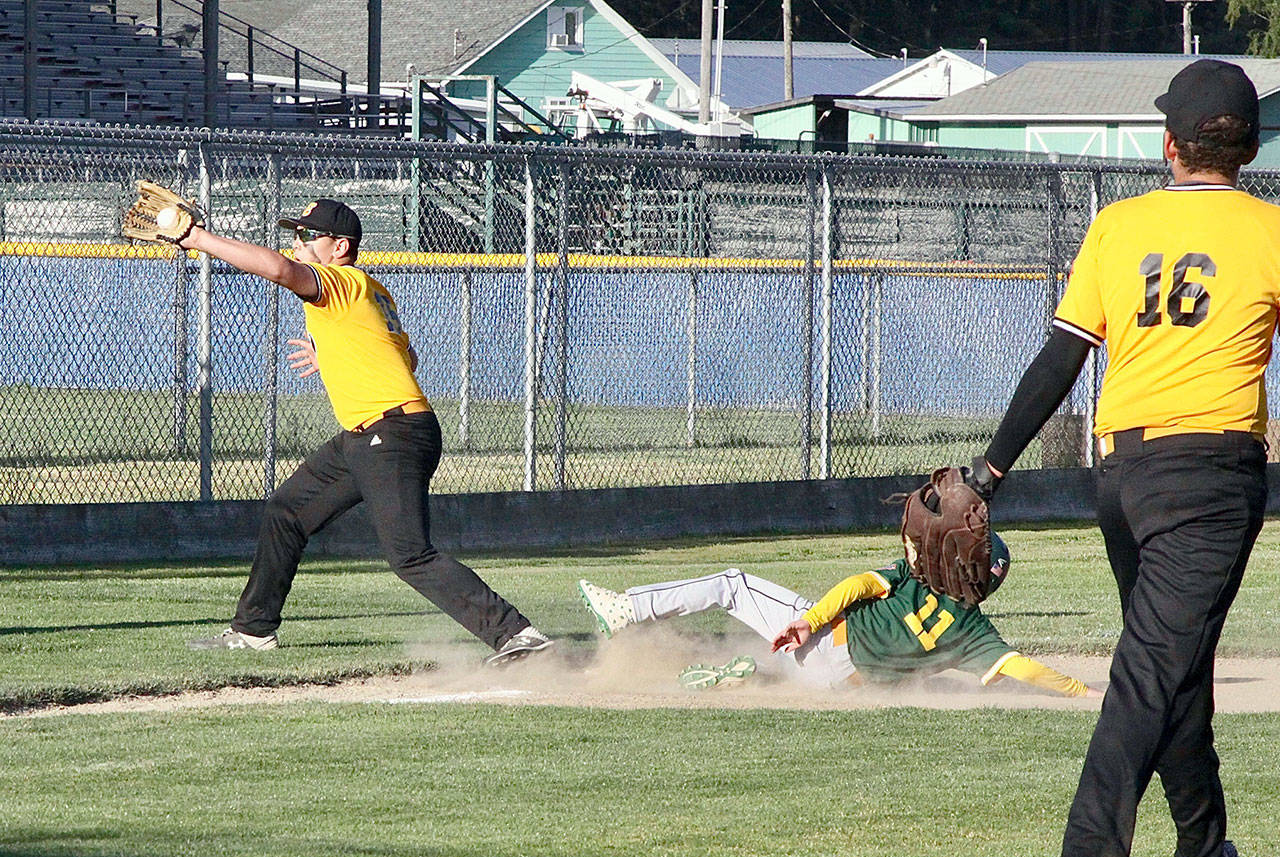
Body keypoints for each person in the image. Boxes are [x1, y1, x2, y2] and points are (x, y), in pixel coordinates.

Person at [962, 60, 1274, 857]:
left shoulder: (1119, 223)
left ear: (1169, 144)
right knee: (1155, 667)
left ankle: (1203, 856)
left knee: (1171, 665)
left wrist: (992, 469)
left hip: (1123, 476)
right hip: (1213, 477)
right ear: (1247, 150)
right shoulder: (1270, 231)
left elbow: (1061, 360)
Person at [183, 198, 551, 667]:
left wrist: (197, 240)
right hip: (367, 436)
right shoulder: (373, 292)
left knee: (410, 555)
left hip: (392, 434)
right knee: (287, 511)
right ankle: (253, 630)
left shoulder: (344, 282)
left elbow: (277, 270)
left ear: (340, 246)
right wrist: (334, 357)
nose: (298, 244)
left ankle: (517, 635)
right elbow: (407, 359)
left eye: (309, 236)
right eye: (297, 234)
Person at [577, 535, 1100, 698]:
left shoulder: (918, 576)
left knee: (731, 586)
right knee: (928, 682)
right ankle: (749, 677)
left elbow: (855, 586)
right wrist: (1083, 693)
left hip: (827, 640)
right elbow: (1020, 667)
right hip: (841, 684)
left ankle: (630, 609)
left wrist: (810, 621)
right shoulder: (973, 631)